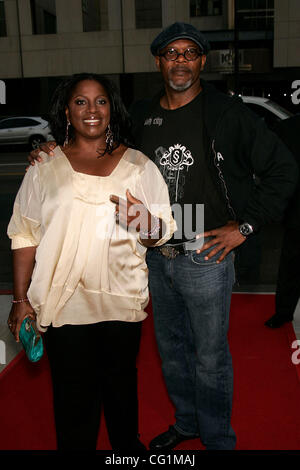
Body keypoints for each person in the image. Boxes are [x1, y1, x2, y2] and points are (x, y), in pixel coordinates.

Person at [28, 24, 298, 451]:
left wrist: (244, 227)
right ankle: (187, 422)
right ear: (158, 61)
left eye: (190, 53)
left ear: (202, 62)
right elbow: (94, 140)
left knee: (209, 359)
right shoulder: (138, 114)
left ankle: (216, 438)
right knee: (171, 354)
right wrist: (48, 150)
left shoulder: (226, 113)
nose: (181, 61)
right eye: (171, 53)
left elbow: (283, 169)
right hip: (153, 255)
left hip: (204, 254)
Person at [7, 73, 175, 451]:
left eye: (100, 100)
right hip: (65, 306)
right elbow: (24, 234)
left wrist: (147, 224)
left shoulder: (139, 166)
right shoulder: (44, 167)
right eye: (80, 101)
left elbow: (161, 231)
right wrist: (20, 300)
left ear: (112, 108)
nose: (92, 109)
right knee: (72, 399)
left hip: (121, 301)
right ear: (67, 111)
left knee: (120, 392)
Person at [264, 114, 300, 328]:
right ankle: (284, 311)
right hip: (296, 209)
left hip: (295, 208)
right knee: (291, 261)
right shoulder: (288, 128)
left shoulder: (287, 127)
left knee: (291, 261)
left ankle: (283, 311)